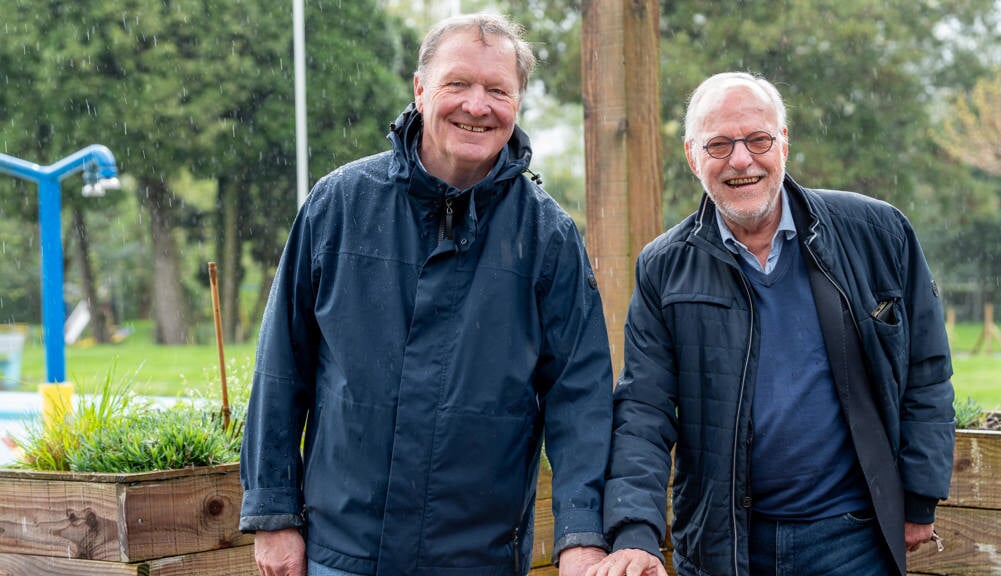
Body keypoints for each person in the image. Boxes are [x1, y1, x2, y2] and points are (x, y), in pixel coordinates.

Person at [239, 12, 613, 576]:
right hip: (340, 553)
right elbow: (280, 370)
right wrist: (273, 516)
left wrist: (581, 534)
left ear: (517, 104)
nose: (476, 105)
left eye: (497, 90)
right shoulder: (338, 206)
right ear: (420, 89)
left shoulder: (548, 237)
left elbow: (579, 398)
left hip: (475, 558)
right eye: (457, 83)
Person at [586, 72, 955, 576]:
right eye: (718, 145)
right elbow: (644, 412)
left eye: (758, 139)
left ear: (784, 143)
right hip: (725, 548)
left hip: (854, 541)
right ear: (694, 159)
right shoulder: (664, 268)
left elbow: (926, 369)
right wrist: (635, 534)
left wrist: (919, 498)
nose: (742, 160)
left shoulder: (878, 232)